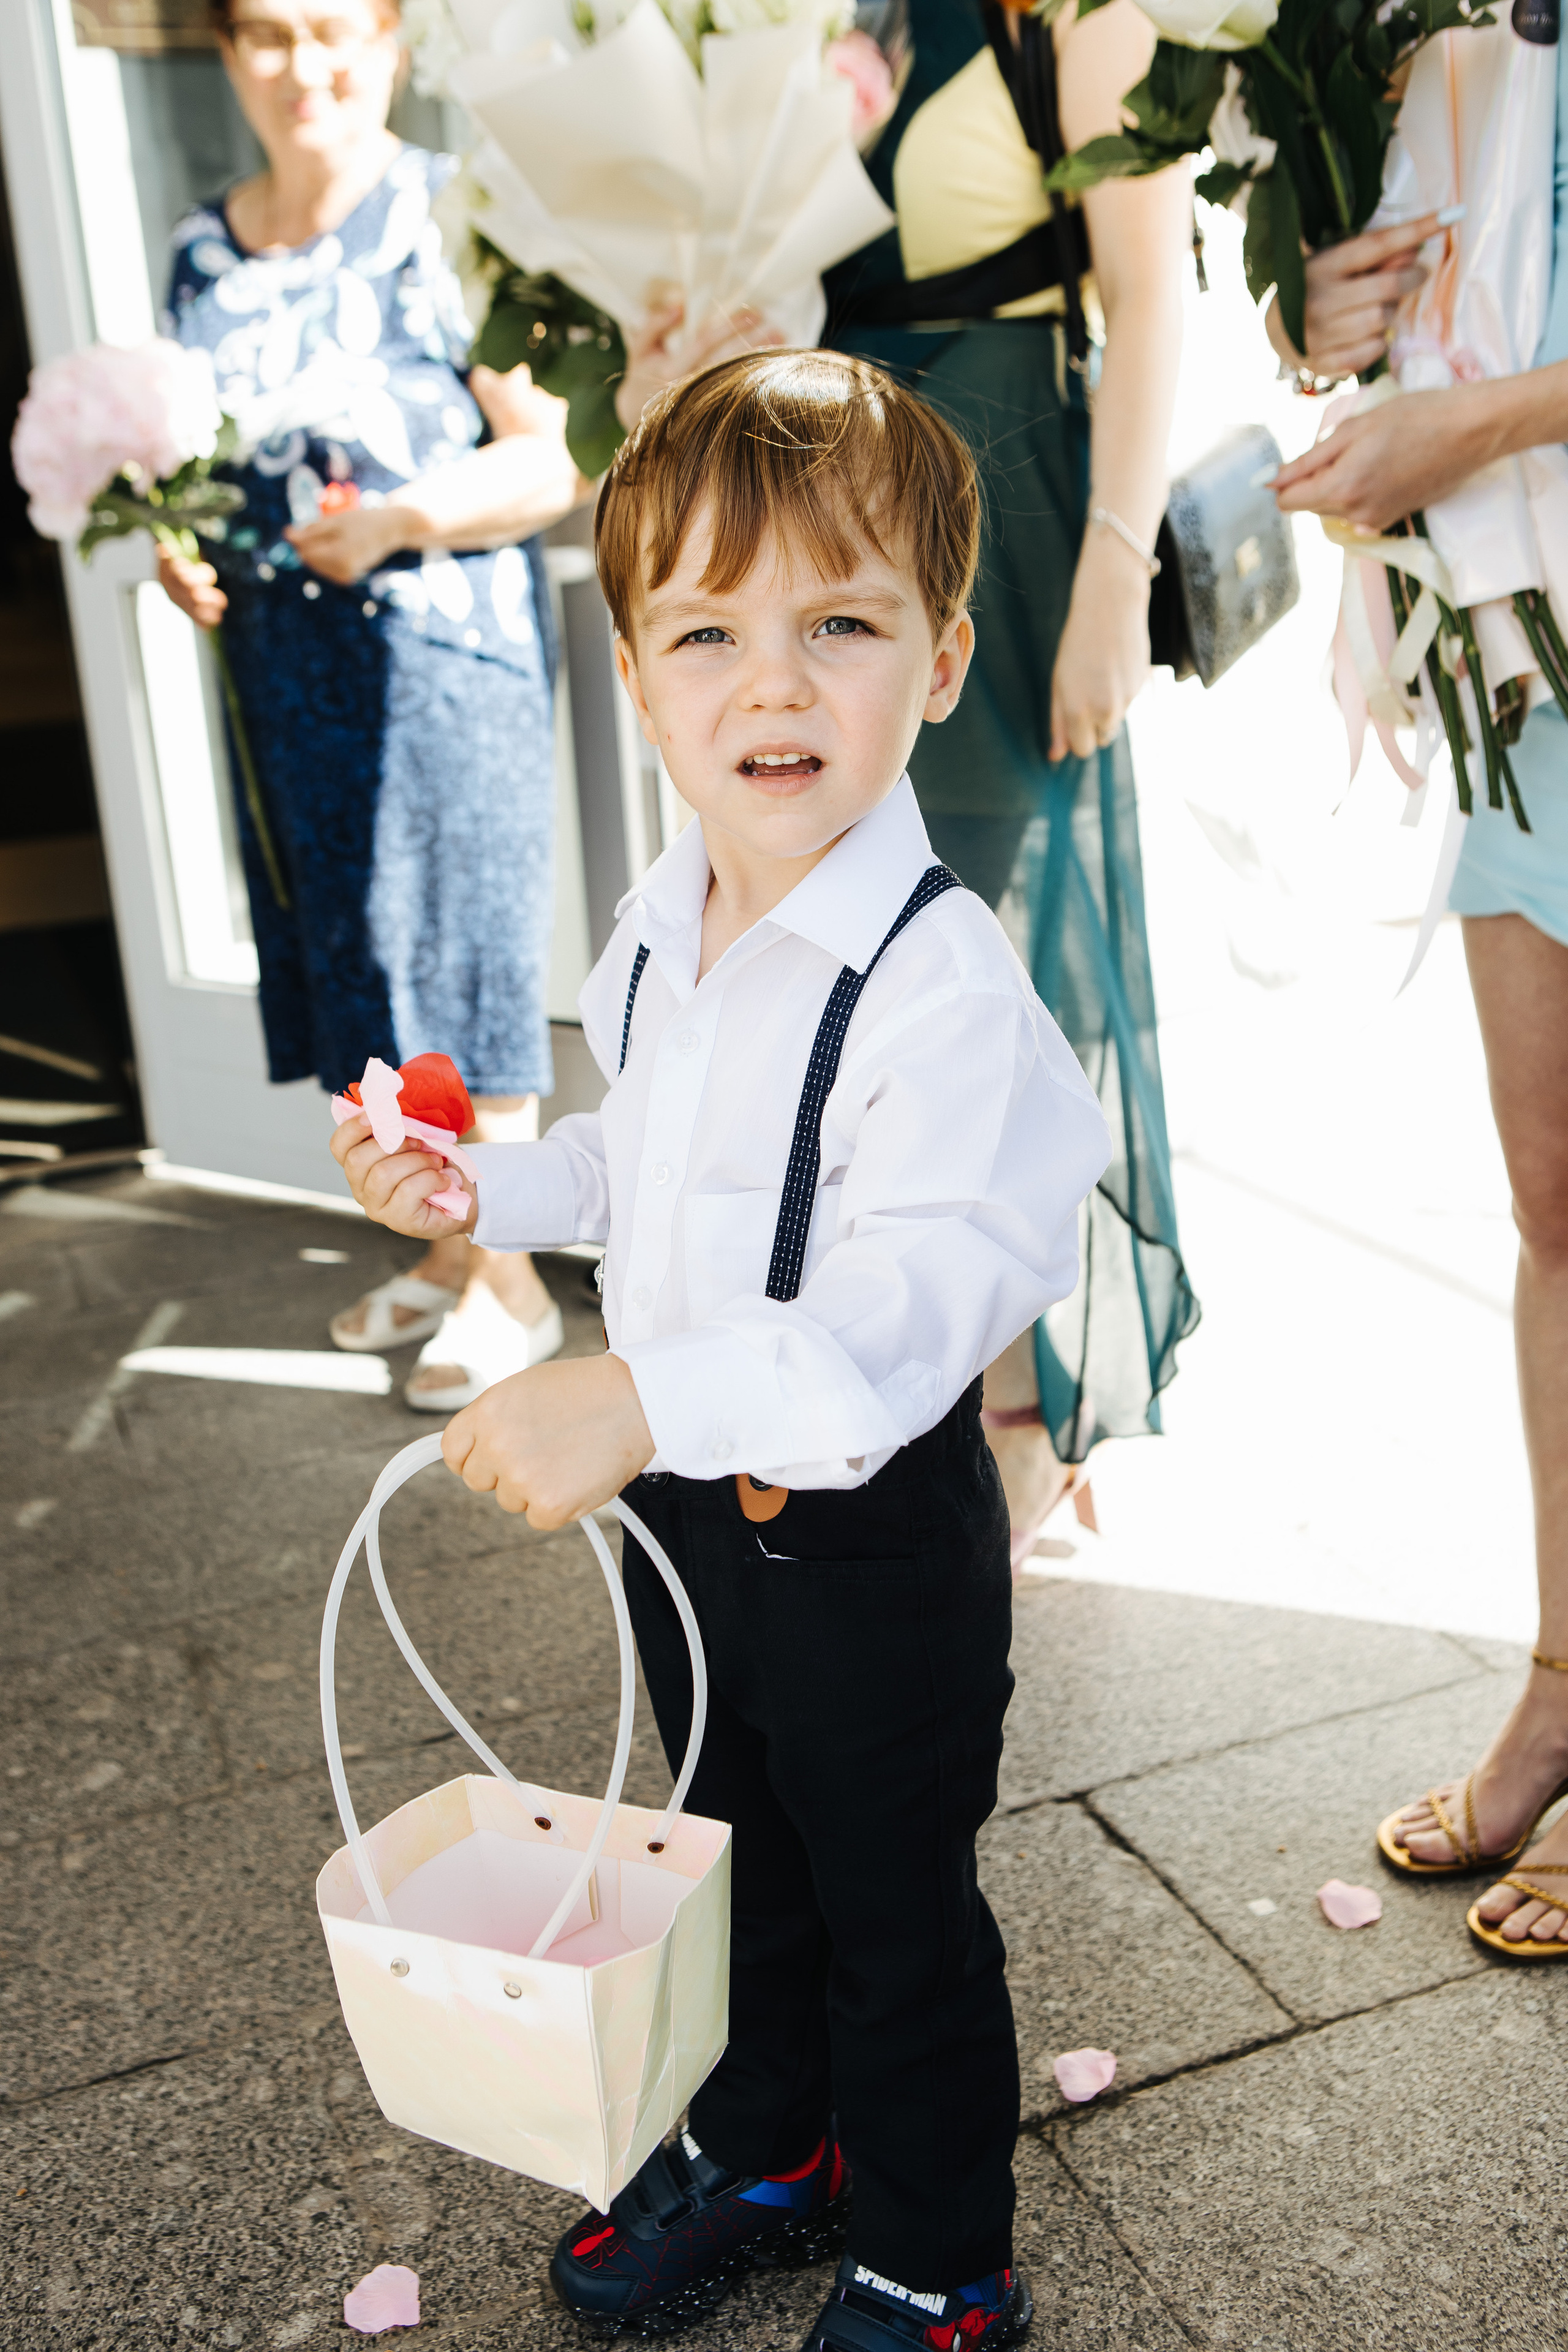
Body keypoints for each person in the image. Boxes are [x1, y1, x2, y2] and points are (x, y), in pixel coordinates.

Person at [332, 349, 1110, 2345]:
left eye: (837, 626)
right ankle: (774, 2142)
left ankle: (940, 2252)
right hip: (691, 1521)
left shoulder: (941, 994)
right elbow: (634, 1161)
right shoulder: (664, 916)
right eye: (710, 634)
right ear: (637, 678)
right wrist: (477, 1194)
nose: (773, 684)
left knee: (893, 1914)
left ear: (940, 659)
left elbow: (897, 1323)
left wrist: (640, 1390)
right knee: (731, 1844)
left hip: (867, 1554)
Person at [161, 0, 589, 1409]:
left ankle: (512, 1284)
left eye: (338, 29)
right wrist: (173, 538)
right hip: (285, 675)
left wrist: (404, 519)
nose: (308, 68)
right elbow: (193, 459)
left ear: (394, 40)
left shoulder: (449, 213)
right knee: (350, 965)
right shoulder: (200, 251)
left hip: (439, 651)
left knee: (453, 966)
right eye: (271, 35)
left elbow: (554, 462)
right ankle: (443, 1248)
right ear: (228, 54)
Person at [819, 0, 1199, 1566]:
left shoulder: (1077, 23)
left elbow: (1150, 299)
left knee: (1003, 959)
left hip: (1011, 518)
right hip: (828, 525)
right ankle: (889, 1376)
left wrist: (1114, 574)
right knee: (850, 964)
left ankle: (1027, 1401)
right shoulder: (792, 23)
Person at [1272, 36, 1568, 1953]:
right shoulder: (1453, 24)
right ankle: (1567, 1680)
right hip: (1528, 660)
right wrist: (1333, 314)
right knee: (1560, 1205)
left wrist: (1478, 430)